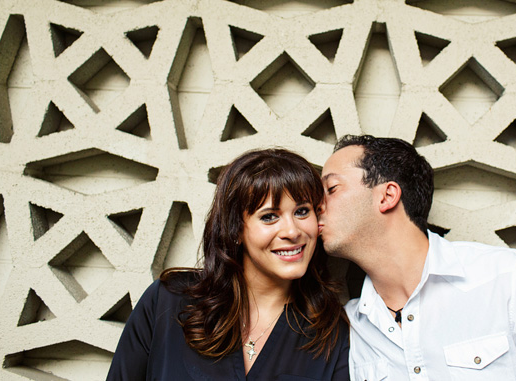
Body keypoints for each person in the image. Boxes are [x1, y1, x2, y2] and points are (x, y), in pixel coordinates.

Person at [318, 135, 516, 380]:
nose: (317, 205)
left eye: (331, 189)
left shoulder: (508, 279)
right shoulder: (351, 328)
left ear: (387, 195)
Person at [107, 148, 349, 380]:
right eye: (269, 217)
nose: (292, 231)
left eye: (302, 212)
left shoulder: (332, 332)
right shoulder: (168, 300)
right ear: (235, 230)